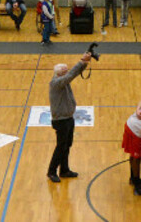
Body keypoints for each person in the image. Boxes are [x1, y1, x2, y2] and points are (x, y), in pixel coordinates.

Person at [47, 52, 92, 183]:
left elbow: (73, 73)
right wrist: (81, 61)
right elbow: (71, 75)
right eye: (65, 71)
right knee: (61, 146)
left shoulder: (62, 80)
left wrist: (85, 63)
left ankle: (64, 170)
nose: (67, 73)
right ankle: (51, 171)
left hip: (68, 118)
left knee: (67, 145)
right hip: (61, 120)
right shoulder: (56, 83)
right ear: (60, 73)